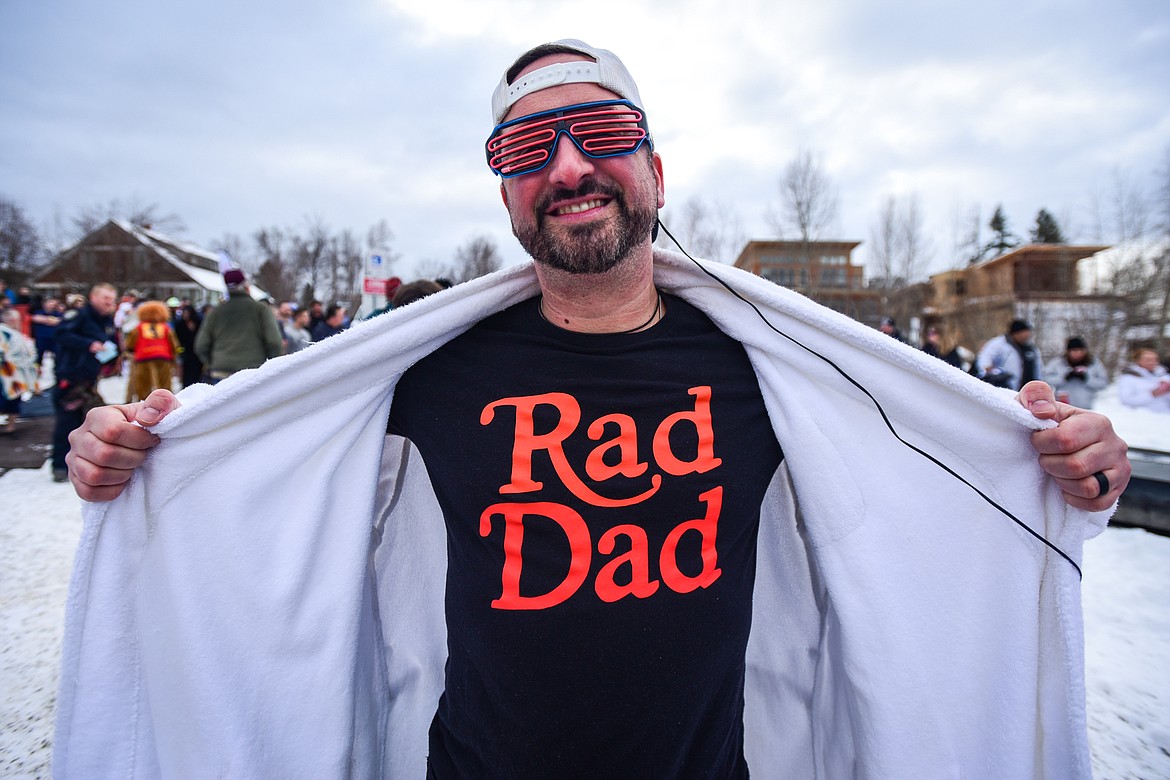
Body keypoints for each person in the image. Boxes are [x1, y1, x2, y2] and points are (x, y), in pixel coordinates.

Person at [59, 40, 1131, 779]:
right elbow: (259, 483)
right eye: (526, 150)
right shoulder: (429, 371)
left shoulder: (774, 370)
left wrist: (1068, 464)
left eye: (599, 131)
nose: (568, 165)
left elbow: (926, 513)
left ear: (655, 169)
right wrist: (139, 459)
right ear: (507, 199)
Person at [52, 283, 118, 482]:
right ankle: (60, 468)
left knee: (88, 423)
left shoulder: (106, 320)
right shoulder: (79, 315)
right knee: (68, 423)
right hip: (70, 378)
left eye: (112, 299)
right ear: (93, 297)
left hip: (89, 380)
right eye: (106, 298)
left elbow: (109, 343)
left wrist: (112, 357)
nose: (110, 303)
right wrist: (88, 345)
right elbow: (61, 334)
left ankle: (80, 465)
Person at [194, 262, 283, 383]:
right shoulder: (260, 309)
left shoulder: (215, 312)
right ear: (246, 285)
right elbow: (274, 342)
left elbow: (200, 346)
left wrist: (214, 362)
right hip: (253, 371)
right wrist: (270, 367)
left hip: (220, 371)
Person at [123, 300, 181, 402]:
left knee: (143, 384)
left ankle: (144, 404)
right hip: (163, 357)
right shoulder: (166, 327)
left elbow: (130, 343)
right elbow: (174, 344)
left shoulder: (139, 327)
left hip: (143, 357)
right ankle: (166, 403)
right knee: (164, 384)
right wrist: (174, 357)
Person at [1, 308, 39, 434]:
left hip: (13, 373)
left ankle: (10, 426)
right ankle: (10, 426)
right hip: (8, 374)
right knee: (10, 400)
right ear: (13, 320)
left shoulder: (14, 334)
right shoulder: (7, 333)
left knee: (11, 400)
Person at [977, 318, 1042, 390]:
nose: (1027, 335)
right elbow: (985, 358)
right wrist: (988, 369)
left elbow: (1038, 369)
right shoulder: (999, 344)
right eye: (1024, 333)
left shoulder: (1031, 348)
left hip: (1028, 389)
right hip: (1006, 387)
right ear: (1015, 333)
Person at [1044, 336, 1108, 409]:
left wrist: (1086, 379)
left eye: (1080, 350)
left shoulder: (1094, 364)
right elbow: (1046, 380)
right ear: (1068, 351)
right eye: (1074, 350)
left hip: (1085, 407)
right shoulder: (1057, 363)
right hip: (1063, 406)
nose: (1077, 353)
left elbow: (1103, 383)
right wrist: (1064, 378)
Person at [1117, 348, 1170, 413]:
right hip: (1143, 417)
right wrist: (1153, 394)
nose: (1153, 362)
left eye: (1155, 359)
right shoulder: (1128, 378)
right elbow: (1126, 400)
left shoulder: (1163, 375)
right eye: (1148, 360)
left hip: (1165, 415)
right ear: (1138, 360)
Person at [173, 304, 204, 388]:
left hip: (197, 351)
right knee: (186, 371)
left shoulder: (199, 322)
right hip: (186, 351)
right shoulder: (180, 324)